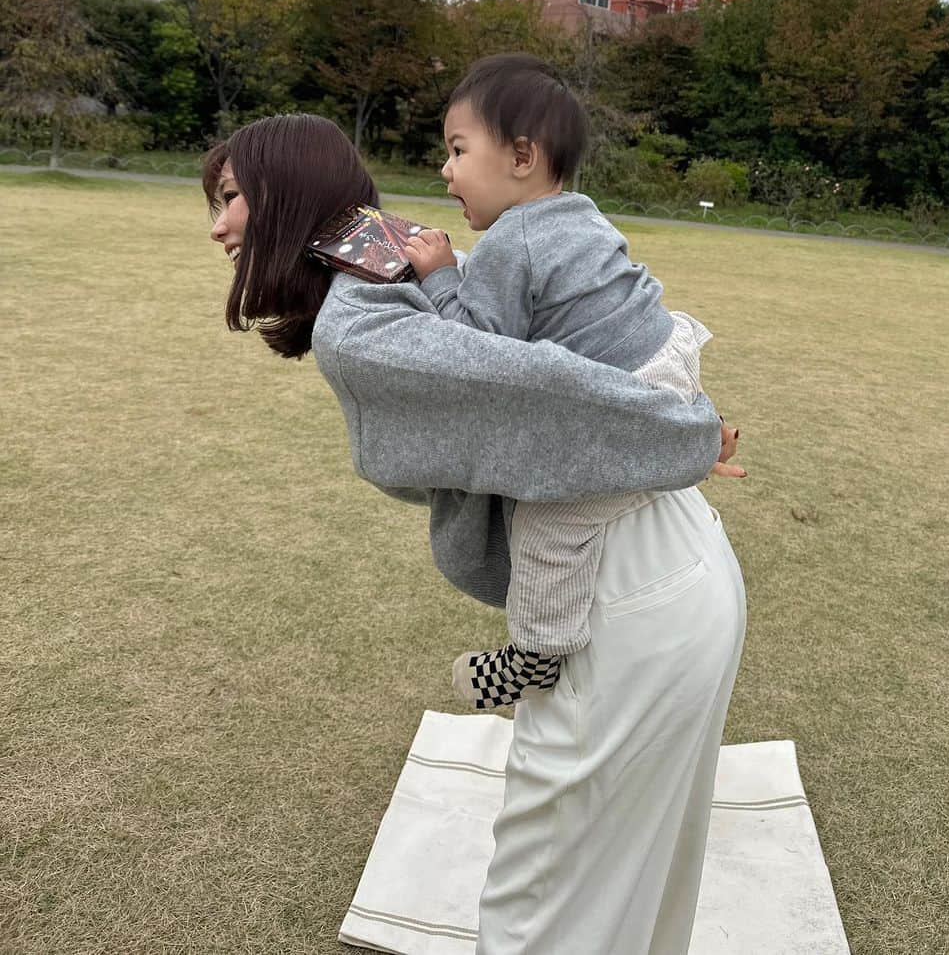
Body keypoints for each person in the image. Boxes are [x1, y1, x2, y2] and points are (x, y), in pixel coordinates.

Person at [205, 111, 746, 955]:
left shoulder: (359, 325)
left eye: (231, 197)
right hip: (671, 563)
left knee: (546, 911)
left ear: (280, 195)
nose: (218, 224)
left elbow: (538, 387)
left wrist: (681, 432)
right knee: (639, 892)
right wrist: (670, 434)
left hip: (627, 590)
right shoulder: (379, 268)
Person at [398, 53, 745, 712]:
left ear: (521, 156)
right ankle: (704, 432)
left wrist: (440, 275)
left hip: (629, 386)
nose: (445, 170)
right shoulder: (582, 212)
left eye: (458, 150)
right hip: (667, 356)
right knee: (639, 418)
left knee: (548, 518)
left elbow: (478, 350)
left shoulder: (509, 241)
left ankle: (536, 650)